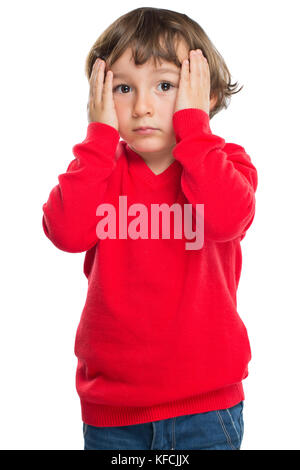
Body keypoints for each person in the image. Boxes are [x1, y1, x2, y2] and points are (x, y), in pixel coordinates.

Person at [42, 7, 258, 450]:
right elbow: (64, 232)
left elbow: (225, 219)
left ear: (207, 95)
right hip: (113, 412)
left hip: (207, 407)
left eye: (165, 86)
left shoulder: (227, 163)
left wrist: (194, 130)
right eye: (123, 88)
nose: (141, 106)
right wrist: (99, 138)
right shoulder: (97, 169)